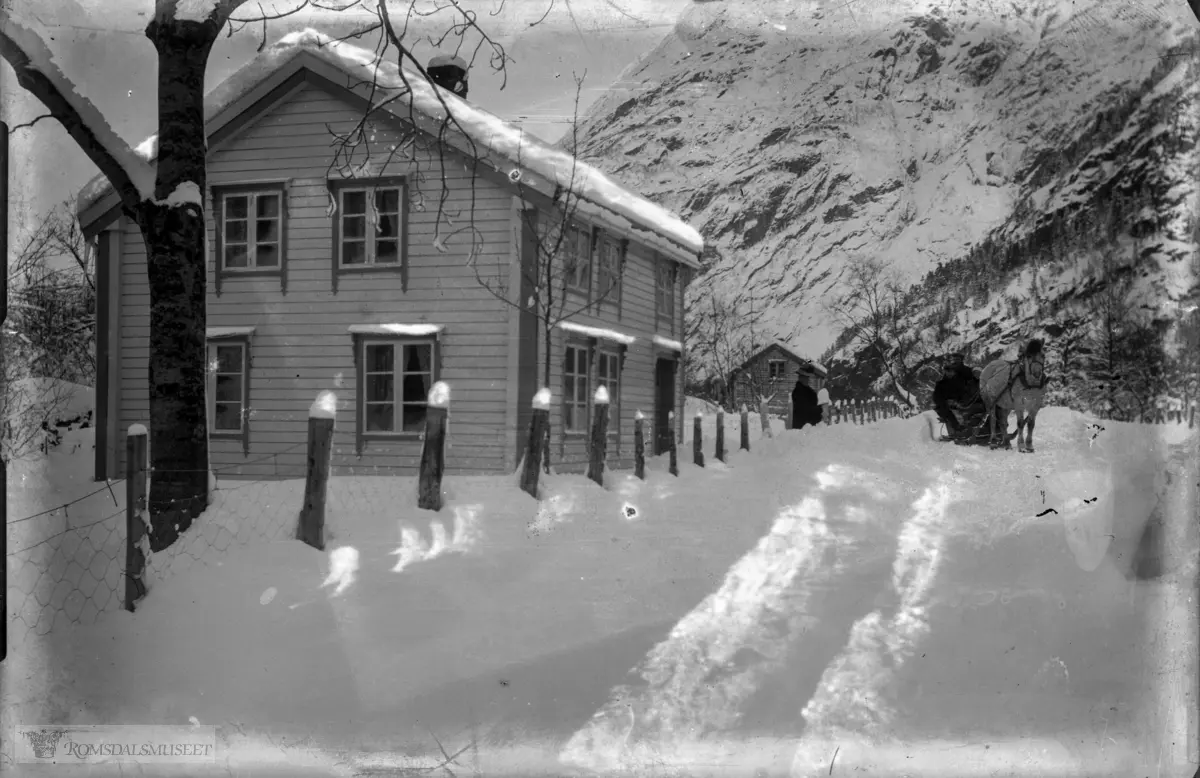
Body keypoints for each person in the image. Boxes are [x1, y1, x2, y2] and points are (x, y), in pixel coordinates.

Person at [933, 353, 982, 439]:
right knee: (948, 412)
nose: (956, 360)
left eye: (958, 359)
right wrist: (947, 402)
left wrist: (958, 401)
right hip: (949, 402)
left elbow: (965, 389)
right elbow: (938, 396)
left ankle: (974, 429)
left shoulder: (965, 373)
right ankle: (958, 430)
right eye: (954, 359)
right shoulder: (942, 383)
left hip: (964, 398)